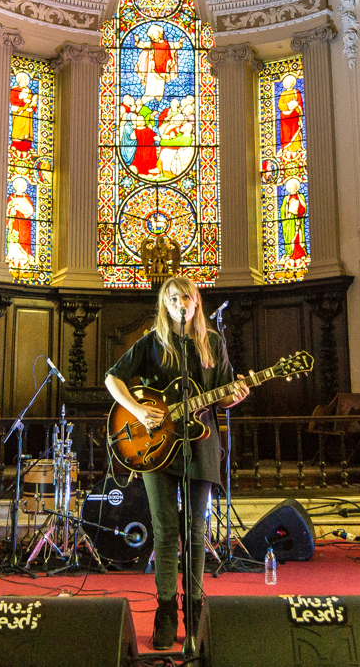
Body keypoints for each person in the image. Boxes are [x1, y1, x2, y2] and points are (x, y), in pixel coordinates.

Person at [104, 277, 249, 650]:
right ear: (164, 305)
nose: (179, 303)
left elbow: (223, 398)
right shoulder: (152, 343)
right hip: (155, 449)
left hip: (200, 447)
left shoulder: (212, 344)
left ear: (196, 302)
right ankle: (166, 610)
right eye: (171, 298)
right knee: (166, 530)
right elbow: (112, 378)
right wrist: (138, 410)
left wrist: (236, 396)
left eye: (185, 296)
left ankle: (196, 611)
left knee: (196, 532)